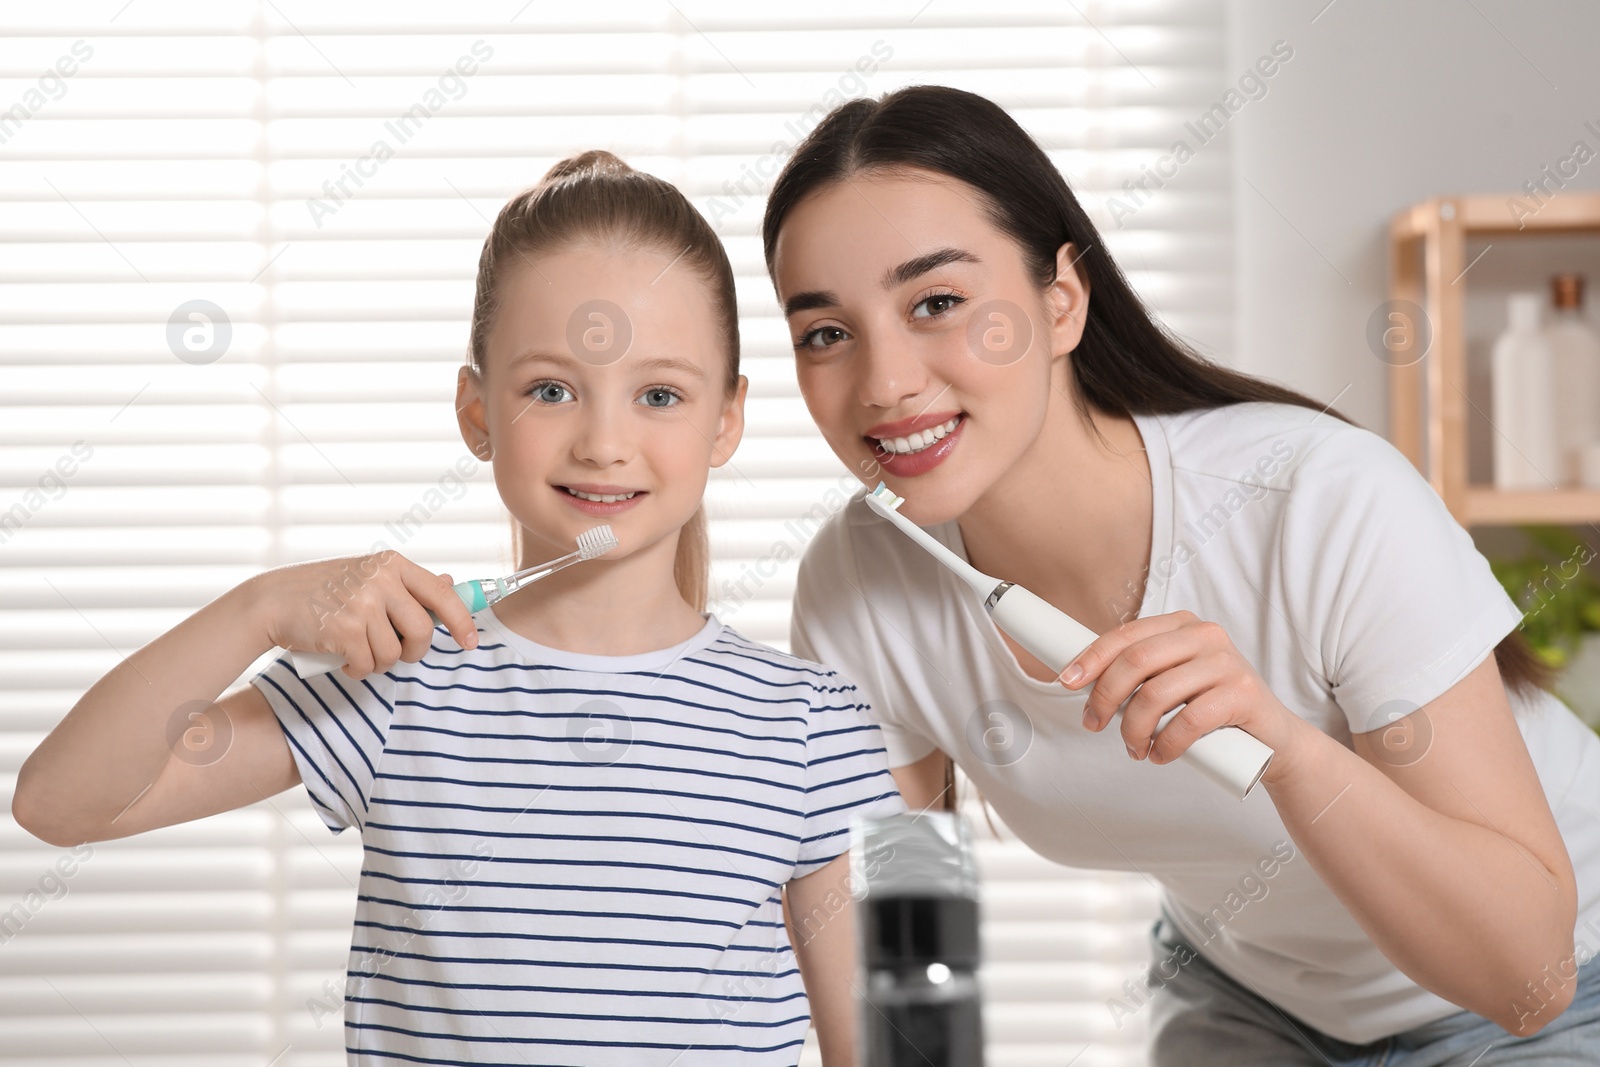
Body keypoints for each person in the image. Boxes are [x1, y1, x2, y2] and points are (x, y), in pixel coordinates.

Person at [761, 84, 1600, 1065]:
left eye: (937, 302)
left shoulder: (1316, 499)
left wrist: (1288, 751)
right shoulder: (860, 583)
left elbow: (1526, 979)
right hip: (1239, 993)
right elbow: (886, 945)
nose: (884, 382)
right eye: (825, 332)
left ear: (1060, 300)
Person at [13, 150, 905, 1066]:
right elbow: (56, 802)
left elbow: (916, 1037)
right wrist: (256, 608)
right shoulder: (398, 676)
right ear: (476, 410)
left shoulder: (819, 723)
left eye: (660, 394)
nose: (604, 442)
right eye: (550, 389)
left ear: (727, 418)